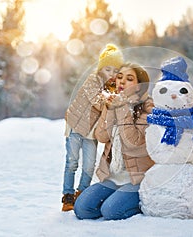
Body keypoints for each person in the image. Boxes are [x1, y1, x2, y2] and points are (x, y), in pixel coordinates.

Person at [74, 63, 155, 220]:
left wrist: (122, 107)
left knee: (111, 211)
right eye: (119, 77)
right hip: (113, 177)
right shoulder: (114, 103)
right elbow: (102, 136)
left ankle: (142, 205)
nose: (122, 82)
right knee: (82, 209)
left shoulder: (148, 109)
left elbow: (133, 142)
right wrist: (109, 109)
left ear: (139, 86)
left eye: (129, 79)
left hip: (137, 178)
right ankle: (117, 199)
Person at [61, 44, 124, 212]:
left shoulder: (113, 88)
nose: (111, 74)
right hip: (76, 127)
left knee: (89, 165)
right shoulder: (92, 80)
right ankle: (67, 195)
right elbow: (98, 102)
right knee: (72, 162)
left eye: (114, 70)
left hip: (91, 133)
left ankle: (81, 193)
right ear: (101, 68)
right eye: (107, 69)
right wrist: (112, 98)